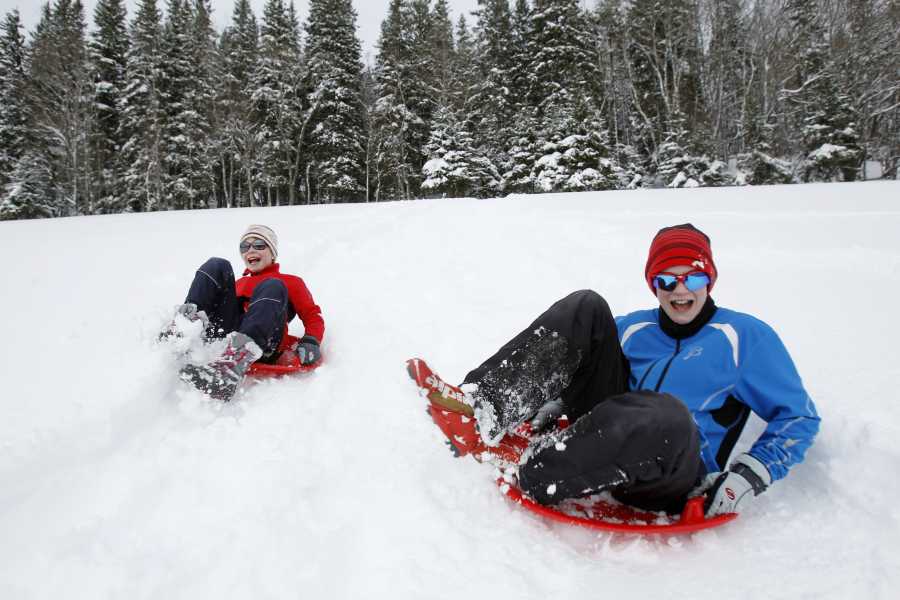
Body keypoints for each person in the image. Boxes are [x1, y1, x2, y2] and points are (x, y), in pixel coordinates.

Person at [414, 224, 819, 517]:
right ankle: (483, 408)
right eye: (667, 279)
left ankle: (538, 472)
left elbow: (799, 417)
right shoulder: (635, 328)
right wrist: (556, 402)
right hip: (605, 440)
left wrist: (749, 476)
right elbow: (585, 362)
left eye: (692, 276)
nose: (680, 289)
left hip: (672, 470)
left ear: (708, 279)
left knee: (668, 413)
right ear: (653, 284)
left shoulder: (743, 336)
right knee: (587, 306)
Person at [165, 224, 325, 401]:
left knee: (272, 284)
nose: (250, 250)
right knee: (217, 264)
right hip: (224, 337)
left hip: (264, 343)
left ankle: (230, 367)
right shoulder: (239, 283)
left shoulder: (290, 282)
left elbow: (313, 316)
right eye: (244, 246)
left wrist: (312, 341)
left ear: (272, 252)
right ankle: (182, 331)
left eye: (258, 245)